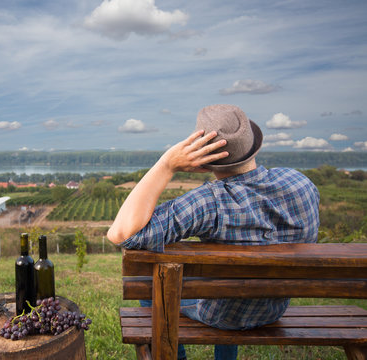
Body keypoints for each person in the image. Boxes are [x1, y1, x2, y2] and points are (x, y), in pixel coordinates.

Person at [107, 104, 320, 360]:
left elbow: (121, 234)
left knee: (145, 284)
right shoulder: (301, 183)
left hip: (223, 315)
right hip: (273, 308)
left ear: (202, 157)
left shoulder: (209, 202)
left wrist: (166, 165)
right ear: (252, 145)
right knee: (229, 285)